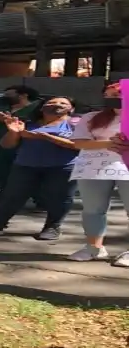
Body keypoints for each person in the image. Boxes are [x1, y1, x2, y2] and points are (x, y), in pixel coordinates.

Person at [0, 96, 79, 241]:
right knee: (12, 196)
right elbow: (6, 145)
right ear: (42, 107)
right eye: (51, 102)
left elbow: (78, 146)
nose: (57, 105)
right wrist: (14, 132)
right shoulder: (27, 123)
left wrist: (45, 137)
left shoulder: (76, 124)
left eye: (63, 103)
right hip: (25, 166)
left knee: (59, 198)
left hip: (62, 167)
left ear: (71, 109)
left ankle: (52, 227)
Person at [68, 83, 129, 266]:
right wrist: (109, 143)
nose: (112, 98)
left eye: (117, 94)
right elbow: (79, 143)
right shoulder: (91, 117)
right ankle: (94, 248)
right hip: (92, 168)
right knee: (93, 210)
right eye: (108, 95)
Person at [0, 85, 42, 206]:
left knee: (28, 176)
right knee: (3, 175)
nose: (5, 97)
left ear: (23, 95)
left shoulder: (36, 110)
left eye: (9, 94)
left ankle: (40, 201)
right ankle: (4, 199)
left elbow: (38, 127)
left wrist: (8, 121)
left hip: (24, 149)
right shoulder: (1, 109)